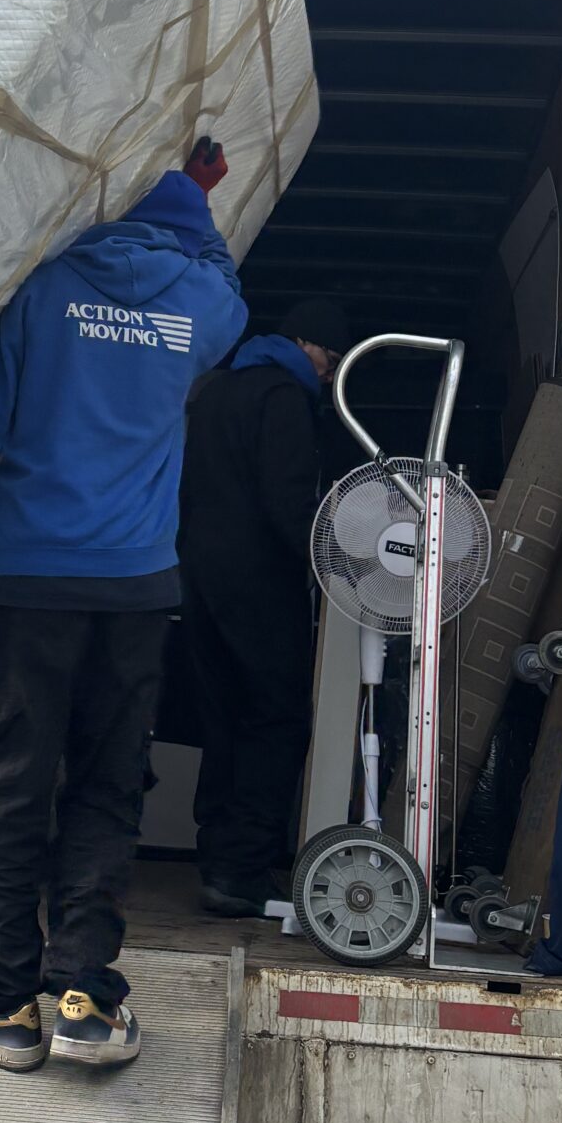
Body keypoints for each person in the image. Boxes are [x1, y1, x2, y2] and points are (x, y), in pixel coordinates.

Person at [0, 144, 247, 1072]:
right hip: (136, 595)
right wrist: (196, 198)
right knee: (106, 785)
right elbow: (224, 277)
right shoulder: (202, 307)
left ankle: (1, 1003)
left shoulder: (41, 294)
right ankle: (85, 997)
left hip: (30, 586)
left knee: (6, 785)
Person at [177, 296, 354, 916]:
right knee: (276, 717)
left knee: (222, 718)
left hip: (199, 579)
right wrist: (335, 563)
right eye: (331, 360)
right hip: (259, 585)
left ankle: (214, 857)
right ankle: (243, 868)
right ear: (305, 345)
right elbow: (287, 503)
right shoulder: (283, 399)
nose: (329, 376)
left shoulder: (213, 391)